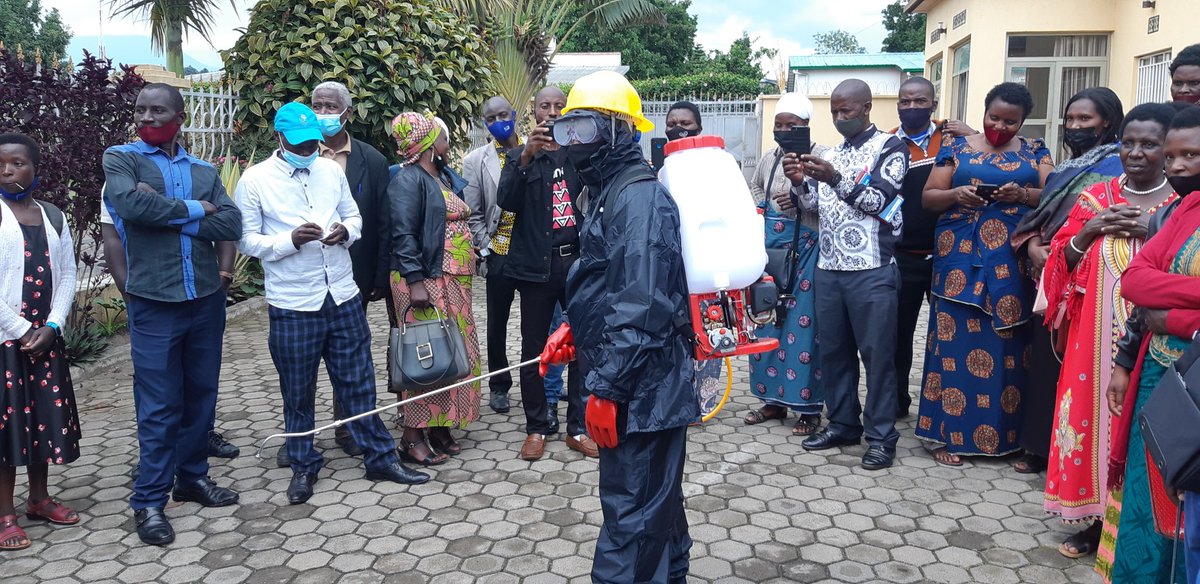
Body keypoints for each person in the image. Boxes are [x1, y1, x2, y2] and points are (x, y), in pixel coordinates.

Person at [544, 70, 696, 582]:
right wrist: (573, 328)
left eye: (585, 130)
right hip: (634, 376)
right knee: (657, 505)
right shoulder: (608, 189)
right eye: (567, 132)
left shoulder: (638, 198)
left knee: (631, 515)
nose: (573, 144)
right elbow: (609, 283)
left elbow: (643, 304)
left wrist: (606, 388)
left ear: (619, 132)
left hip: (642, 386)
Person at [238, 103, 429, 504]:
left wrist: (346, 232)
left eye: (313, 143)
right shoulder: (256, 180)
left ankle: (379, 457)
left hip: (341, 293)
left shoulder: (329, 170)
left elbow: (355, 217)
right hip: (294, 301)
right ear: (280, 137)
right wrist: (288, 241)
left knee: (358, 381)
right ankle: (303, 463)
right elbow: (246, 240)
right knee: (298, 389)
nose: (309, 149)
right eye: (300, 144)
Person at [102, 83, 243, 546]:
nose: (147, 116)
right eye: (141, 109)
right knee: (160, 406)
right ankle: (148, 500)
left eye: (157, 109)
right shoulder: (121, 159)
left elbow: (232, 223)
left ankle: (193, 478)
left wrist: (167, 212)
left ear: (179, 116)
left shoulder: (204, 169)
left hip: (204, 298)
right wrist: (194, 210)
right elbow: (130, 205)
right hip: (154, 303)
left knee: (201, 395)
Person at [1042, 102, 1177, 560]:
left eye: (1149, 144)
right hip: (1091, 345)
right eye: (1128, 143)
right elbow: (1059, 265)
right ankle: (1095, 522)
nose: (1136, 152)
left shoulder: (1179, 205)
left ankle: (1140, 529)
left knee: (1142, 432)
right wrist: (1089, 232)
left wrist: (1153, 228)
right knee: (1092, 425)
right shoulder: (1096, 197)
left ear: (1169, 149)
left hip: (1155, 346)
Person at [916, 82, 1054, 466]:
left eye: (1011, 122)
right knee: (952, 343)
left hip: (1012, 259)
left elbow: (1056, 194)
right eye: (994, 117)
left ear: (1023, 121)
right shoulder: (955, 148)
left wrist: (1022, 196)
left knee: (1010, 346)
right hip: (959, 257)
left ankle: (1009, 439)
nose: (1000, 126)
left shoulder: (1035, 150)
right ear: (984, 111)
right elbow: (929, 197)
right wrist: (957, 195)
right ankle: (947, 435)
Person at [784, 79, 907, 470]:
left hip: (871, 270)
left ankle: (882, 436)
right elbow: (814, 208)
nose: (839, 118)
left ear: (867, 108)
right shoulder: (832, 152)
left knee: (878, 357)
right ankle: (843, 424)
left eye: (846, 111)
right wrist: (800, 182)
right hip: (830, 268)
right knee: (834, 354)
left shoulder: (890, 149)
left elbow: (879, 200)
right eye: (834, 111)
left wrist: (834, 177)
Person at [1102, 105, 1200, 584]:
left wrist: (1176, 316)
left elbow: (1155, 293)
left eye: (1192, 155)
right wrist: (1124, 359)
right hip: (1161, 377)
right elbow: (1137, 284)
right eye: (1175, 155)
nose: (1179, 166)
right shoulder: (1179, 211)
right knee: (1149, 500)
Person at [1010, 88, 1126, 477]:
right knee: (1043, 362)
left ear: (1107, 122)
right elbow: (1043, 216)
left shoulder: (1117, 166)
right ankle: (1038, 447)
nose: (1075, 127)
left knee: (1077, 366)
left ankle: (1077, 457)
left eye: (1085, 120)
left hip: (1092, 276)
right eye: (1070, 120)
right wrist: (1034, 247)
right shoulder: (1066, 168)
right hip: (1051, 275)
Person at [100, 200, 241, 476]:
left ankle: (197, 449)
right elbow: (113, 239)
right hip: (152, 301)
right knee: (156, 388)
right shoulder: (125, 179)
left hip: (202, 295)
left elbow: (226, 225)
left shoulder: (198, 172)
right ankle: (154, 459)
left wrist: (224, 274)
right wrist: (131, 296)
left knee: (201, 382)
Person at [495, 86, 596, 460]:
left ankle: (579, 427)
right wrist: (526, 156)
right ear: (532, 111)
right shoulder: (516, 156)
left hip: (577, 265)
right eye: (544, 106)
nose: (551, 112)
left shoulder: (580, 154)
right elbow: (506, 203)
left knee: (583, 345)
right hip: (535, 269)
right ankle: (536, 427)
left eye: (559, 106)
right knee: (534, 350)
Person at [388, 111, 482, 466]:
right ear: (429, 144)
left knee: (453, 353)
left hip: (451, 280)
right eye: (443, 138)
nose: (448, 144)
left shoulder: (436, 175)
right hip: (426, 280)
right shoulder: (406, 180)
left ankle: (440, 425)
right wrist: (415, 282)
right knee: (426, 356)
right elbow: (403, 234)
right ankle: (411, 438)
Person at [0, 134, 80, 551]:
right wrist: (20, 328)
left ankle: (39, 498)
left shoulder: (51, 215)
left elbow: (67, 274)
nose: (8, 171)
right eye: (1, 164)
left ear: (34, 168)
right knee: (7, 427)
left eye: (17, 163)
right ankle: (4, 514)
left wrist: (52, 325)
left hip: (45, 339)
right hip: (6, 343)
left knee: (41, 421)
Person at [743, 92, 827, 436]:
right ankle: (772, 401)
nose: (783, 130)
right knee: (766, 322)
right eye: (778, 124)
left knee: (804, 329)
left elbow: (828, 204)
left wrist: (799, 200)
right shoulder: (769, 158)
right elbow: (753, 189)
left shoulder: (821, 158)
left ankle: (808, 408)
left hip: (807, 252)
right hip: (771, 254)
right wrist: (765, 207)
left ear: (806, 126)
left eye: (791, 125)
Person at [890, 77, 971, 420]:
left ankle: (944, 411)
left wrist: (971, 136)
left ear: (933, 104)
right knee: (897, 337)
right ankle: (895, 404)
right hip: (903, 256)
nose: (912, 107)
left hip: (949, 255)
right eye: (905, 102)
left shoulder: (954, 140)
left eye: (919, 101)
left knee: (950, 336)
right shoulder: (888, 143)